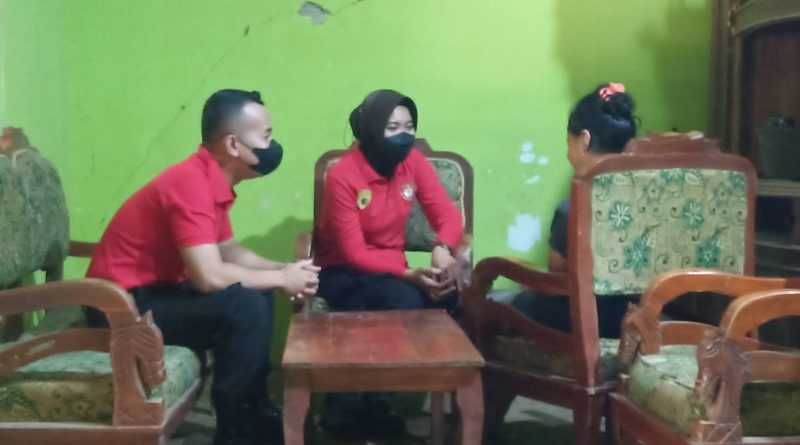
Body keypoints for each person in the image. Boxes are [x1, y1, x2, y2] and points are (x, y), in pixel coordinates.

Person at [86, 89, 319, 445]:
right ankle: (236, 430)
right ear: (233, 144)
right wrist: (280, 277)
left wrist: (286, 270)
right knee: (244, 306)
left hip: (153, 294)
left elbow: (229, 252)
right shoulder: (190, 183)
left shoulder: (209, 179)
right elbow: (209, 276)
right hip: (118, 308)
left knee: (258, 294)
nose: (272, 145)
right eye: (266, 136)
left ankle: (254, 410)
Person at [313, 89, 464, 439]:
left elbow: (447, 216)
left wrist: (442, 248)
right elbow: (354, 253)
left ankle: (374, 403)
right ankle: (357, 407)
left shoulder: (413, 162)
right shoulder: (343, 174)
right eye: (392, 127)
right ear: (370, 129)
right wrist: (410, 275)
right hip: (342, 271)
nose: (403, 136)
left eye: (409, 127)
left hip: (392, 272)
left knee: (447, 294)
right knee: (404, 300)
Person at [511, 82, 638, 336]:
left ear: (584, 140)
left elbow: (556, 278)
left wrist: (522, 274)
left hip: (584, 323)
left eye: (569, 141)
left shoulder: (572, 208)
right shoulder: (648, 200)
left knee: (513, 303)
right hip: (635, 319)